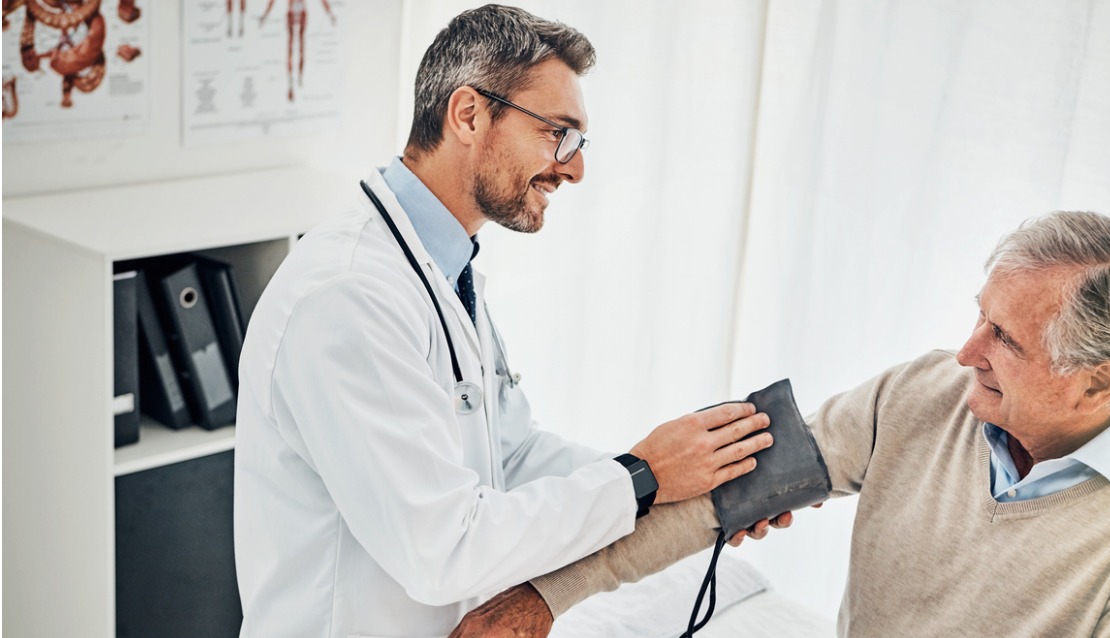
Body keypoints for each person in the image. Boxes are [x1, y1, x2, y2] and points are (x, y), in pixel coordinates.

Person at [232, 5, 779, 636]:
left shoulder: (444, 265)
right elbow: (442, 549)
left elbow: (511, 455)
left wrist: (686, 486)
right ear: (469, 114)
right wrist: (642, 477)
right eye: (558, 133)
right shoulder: (349, 296)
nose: (574, 168)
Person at [454, 210, 1110, 637]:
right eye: (981, 315)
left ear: (1097, 382)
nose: (966, 350)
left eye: (1005, 339)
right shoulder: (924, 391)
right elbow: (727, 490)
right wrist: (543, 598)